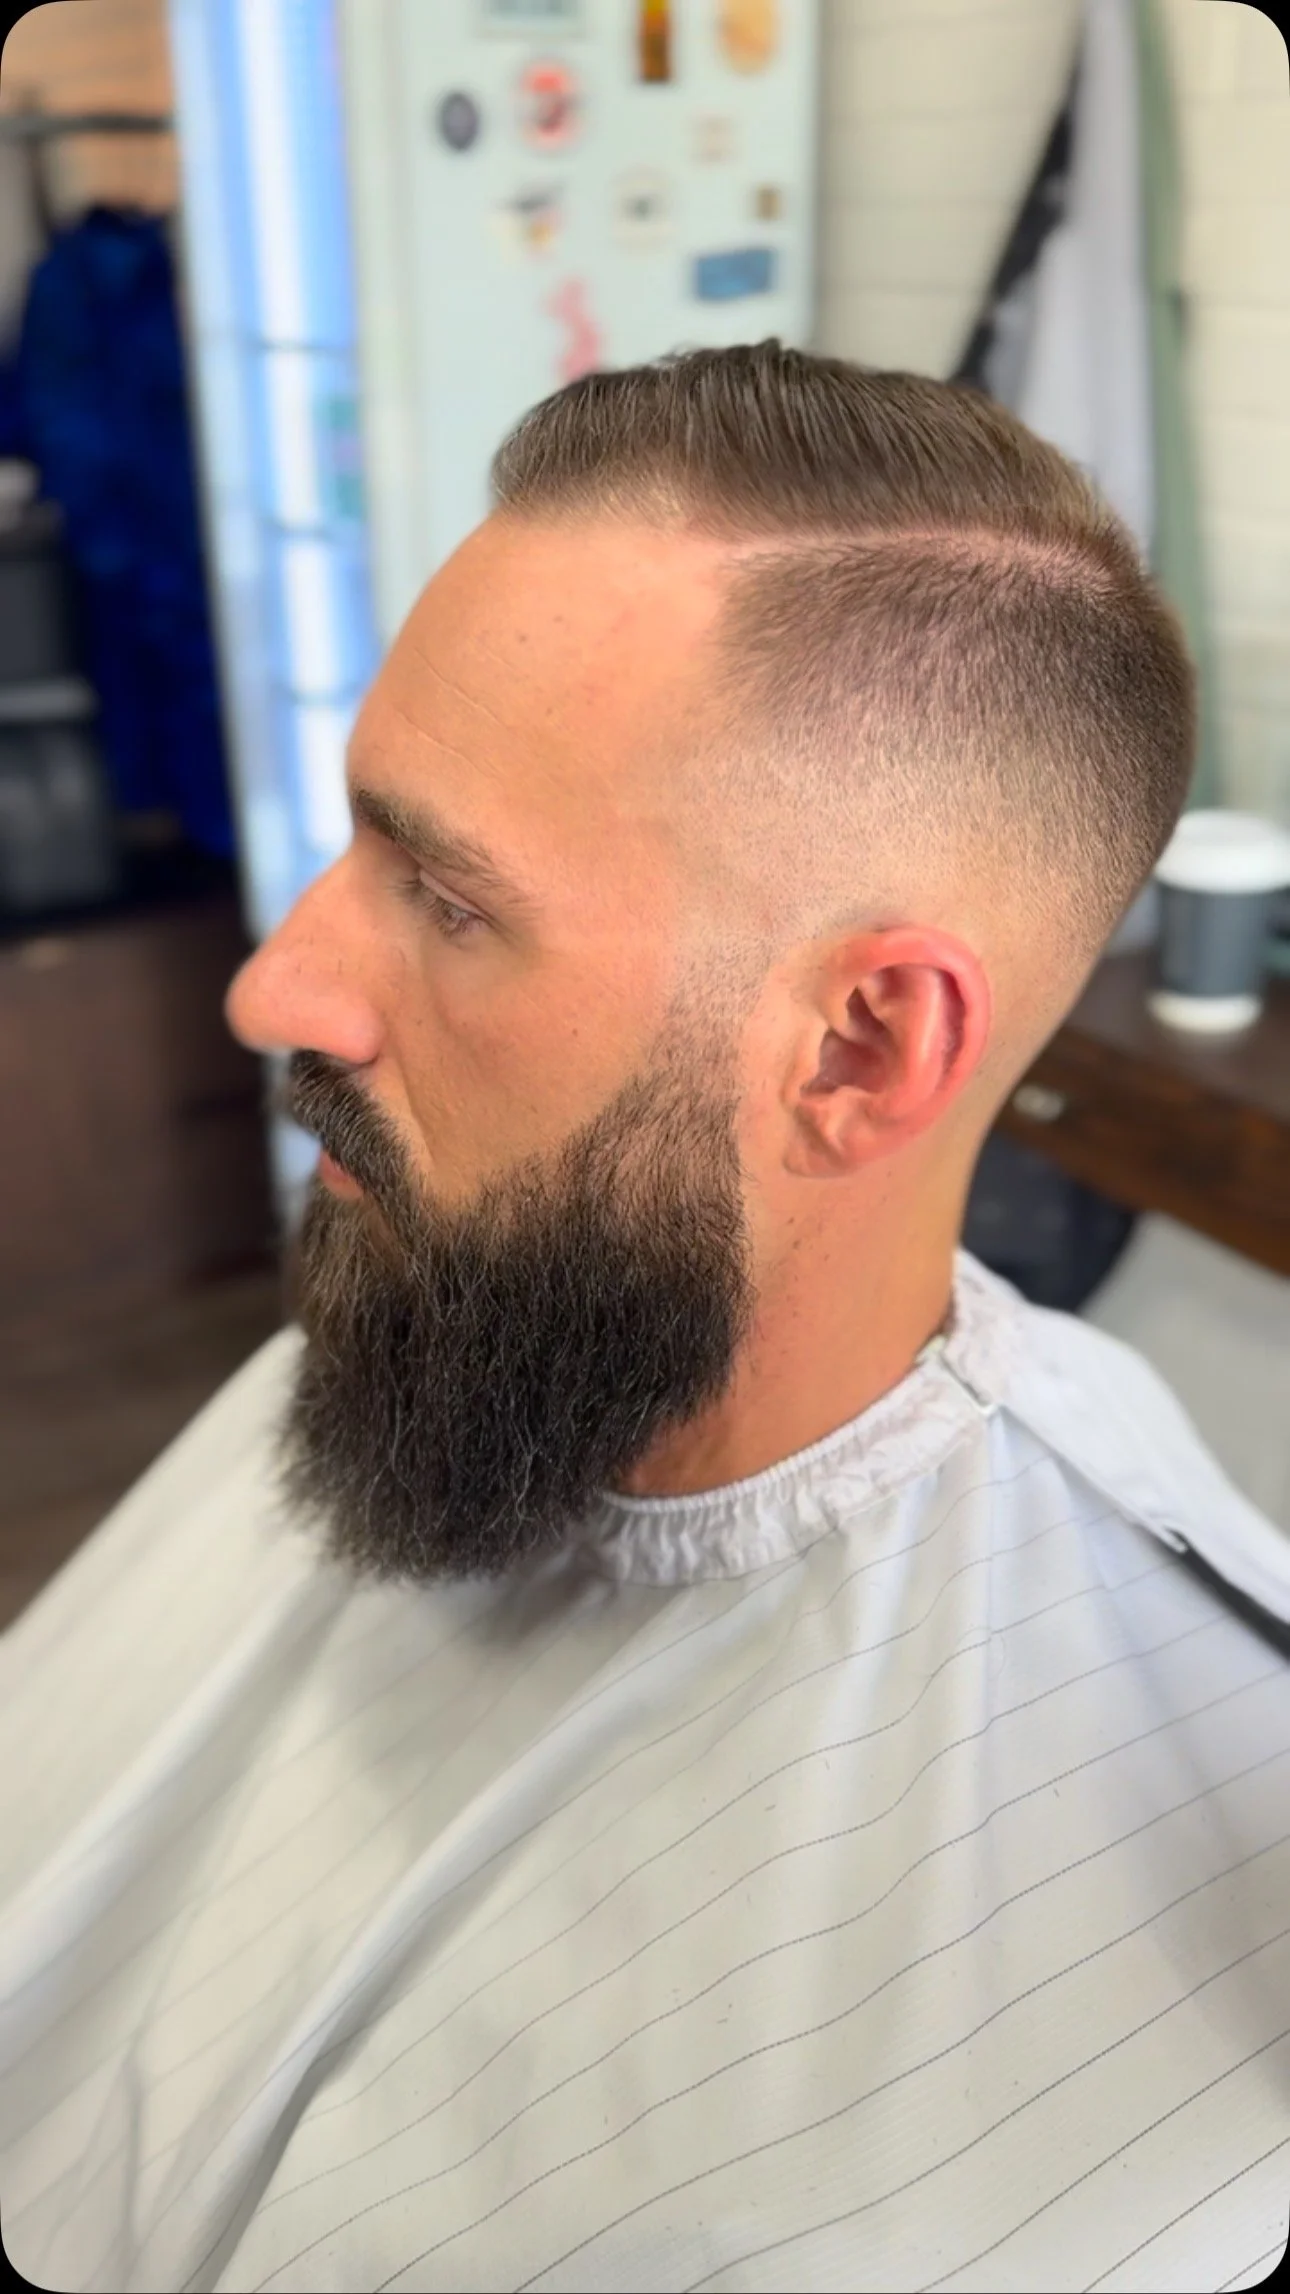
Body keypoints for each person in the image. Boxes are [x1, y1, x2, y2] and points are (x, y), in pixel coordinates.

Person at [1, 345, 1286, 2294]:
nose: (275, 988)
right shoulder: (449, 1320)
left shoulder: (1105, 2186)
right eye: (362, 841)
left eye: (446, 896)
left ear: (859, 1049)